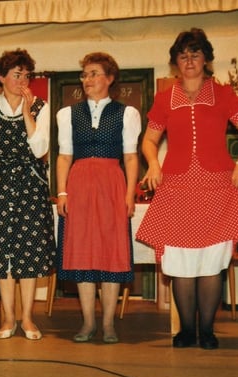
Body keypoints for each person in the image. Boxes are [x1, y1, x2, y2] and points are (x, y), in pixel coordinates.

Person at [136, 28, 238, 350]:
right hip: (177, 188)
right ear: (175, 63)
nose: (189, 60)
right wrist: (153, 163)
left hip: (218, 188)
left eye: (195, 54)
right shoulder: (165, 98)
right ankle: (185, 330)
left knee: (211, 262)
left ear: (206, 59)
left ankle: (207, 331)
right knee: (180, 262)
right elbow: (149, 140)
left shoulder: (223, 94)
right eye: (183, 56)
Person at [56, 52, 140, 344]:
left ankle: (108, 324)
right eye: (84, 74)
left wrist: (129, 194)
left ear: (110, 78)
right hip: (78, 184)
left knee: (110, 252)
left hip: (111, 184)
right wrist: (62, 191)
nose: (87, 79)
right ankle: (88, 322)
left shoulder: (126, 113)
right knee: (82, 250)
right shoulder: (67, 114)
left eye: (94, 73)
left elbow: (131, 157)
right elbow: (64, 156)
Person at [0, 49, 56, 340]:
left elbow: (40, 149)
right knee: (2, 254)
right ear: (2, 77)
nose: (22, 81)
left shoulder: (40, 107)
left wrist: (27, 113)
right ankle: (8, 318)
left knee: (29, 253)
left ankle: (28, 318)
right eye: (17, 75)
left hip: (31, 186)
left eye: (27, 76)